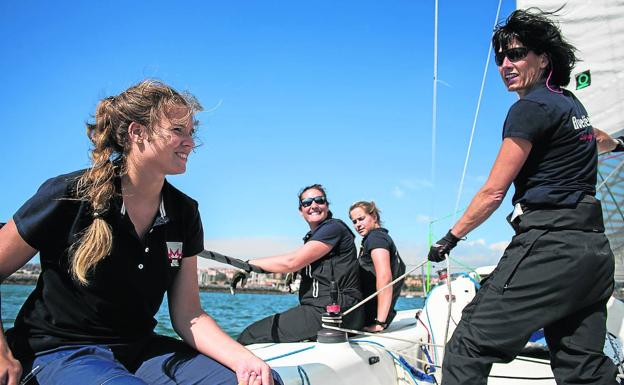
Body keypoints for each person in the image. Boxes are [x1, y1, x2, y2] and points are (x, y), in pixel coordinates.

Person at [0, 80, 281, 385]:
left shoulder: (184, 212)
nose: (190, 142)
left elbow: (190, 315)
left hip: (141, 349)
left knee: (263, 381)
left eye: (191, 132)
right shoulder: (69, 195)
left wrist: (243, 358)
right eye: (177, 131)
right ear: (137, 133)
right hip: (59, 350)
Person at [427, 9, 618, 385]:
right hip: (592, 252)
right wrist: (621, 144)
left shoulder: (528, 109)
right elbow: (598, 139)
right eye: (501, 57)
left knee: (467, 348)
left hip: (550, 243)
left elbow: (493, 191)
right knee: (583, 368)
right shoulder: (568, 103)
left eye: (516, 54)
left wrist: (450, 238)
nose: (506, 64)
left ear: (543, 58)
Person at [236, 184, 365, 344]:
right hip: (328, 310)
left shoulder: (333, 228)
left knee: (250, 335)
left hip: (334, 312)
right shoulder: (316, 235)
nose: (314, 205)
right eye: (307, 203)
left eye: (319, 200)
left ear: (327, 205)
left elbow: (292, 262)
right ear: (301, 210)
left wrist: (248, 265)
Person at [348, 201, 406, 332]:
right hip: (371, 315)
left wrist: (379, 322)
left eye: (361, 219)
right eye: (354, 221)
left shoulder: (376, 238)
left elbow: (385, 277)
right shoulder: (380, 237)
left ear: (374, 216)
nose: (357, 225)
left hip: (370, 318)